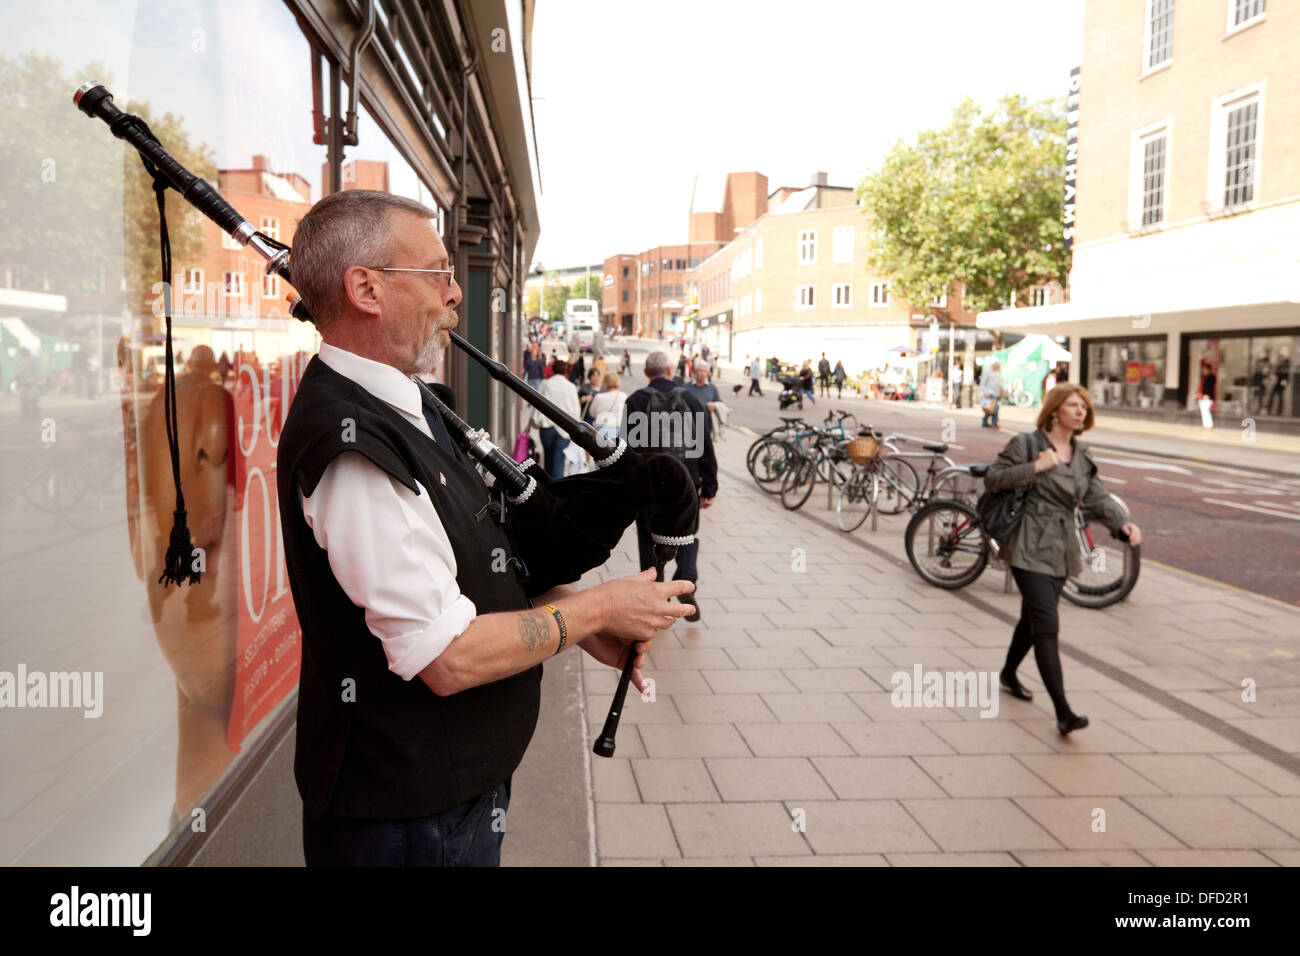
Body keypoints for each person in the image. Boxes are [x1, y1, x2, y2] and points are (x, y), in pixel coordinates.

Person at [276, 189, 692, 867]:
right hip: (407, 818)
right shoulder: (352, 449)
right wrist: (598, 607)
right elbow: (447, 656)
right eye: (438, 273)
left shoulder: (412, 409)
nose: (454, 296)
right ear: (366, 289)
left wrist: (579, 622)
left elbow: (471, 578)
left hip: (452, 797)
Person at [984, 384, 1142, 736]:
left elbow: (1098, 499)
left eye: (1084, 406)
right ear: (1056, 410)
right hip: (1028, 542)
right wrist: (1034, 468)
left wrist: (1122, 524)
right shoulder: (1027, 444)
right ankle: (1063, 712)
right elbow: (993, 480)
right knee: (1047, 623)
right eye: (1073, 405)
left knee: (1033, 617)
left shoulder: (1081, 455)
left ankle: (1009, 674)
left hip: (1061, 546)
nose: (1080, 411)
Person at [624, 351, 717, 623]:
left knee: (649, 541)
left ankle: (656, 600)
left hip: (649, 486)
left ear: (646, 373)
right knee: (687, 533)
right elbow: (705, 446)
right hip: (686, 482)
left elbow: (627, 450)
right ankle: (686, 577)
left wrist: (626, 488)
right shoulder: (691, 399)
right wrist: (710, 486)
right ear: (670, 369)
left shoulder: (636, 401)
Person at [537, 357, 581, 477]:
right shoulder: (571, 387)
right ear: (566, 372)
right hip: (564, 428)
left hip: (547, 426)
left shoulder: (545, 384)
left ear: (553, 370)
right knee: (559, 461)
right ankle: (557, 490)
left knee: (548, 460)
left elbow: (537, 404)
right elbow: (576, 410)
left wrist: (532, 423)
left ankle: (547, 488)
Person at [587, 371, 627, 442]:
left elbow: (592, 413)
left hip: (601, 429)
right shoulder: (623, 396)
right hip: (617, 429)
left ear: (604, 382)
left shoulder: (599, 397)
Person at [980, 359, 1004, 428]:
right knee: (993, 408)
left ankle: (986, 422)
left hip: (996, 393)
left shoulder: (996, 373)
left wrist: (1004, 390)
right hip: (989, 392)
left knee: (992, 408)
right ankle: (993, 422)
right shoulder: (987, 371)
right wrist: (985, 392)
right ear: (993, 365)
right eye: (997, 366)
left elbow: (999, 383)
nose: (998, 368)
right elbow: (982, 383)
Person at [1196, 359, 1217, 429]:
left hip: (1208, 397)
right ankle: (1205, 424)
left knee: (1206, 410)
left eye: (1205, 369)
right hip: (1202, 396)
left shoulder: (1212, 377)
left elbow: (1211, 387)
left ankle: (1210, 425)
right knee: (1203, 411)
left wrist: (1207, 395)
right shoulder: (1203, 377)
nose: (1204, 370)